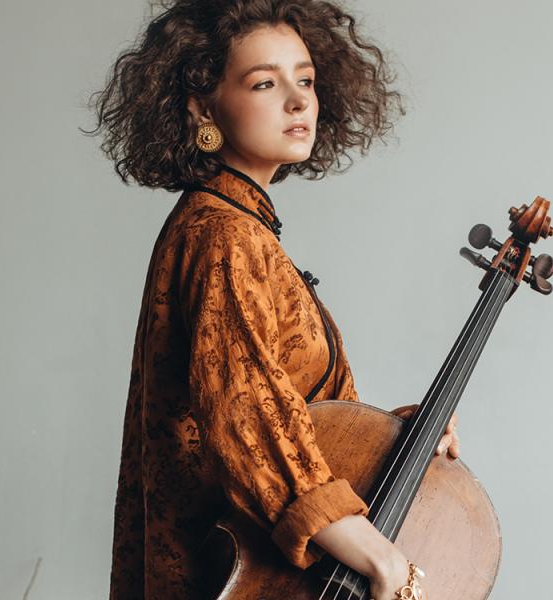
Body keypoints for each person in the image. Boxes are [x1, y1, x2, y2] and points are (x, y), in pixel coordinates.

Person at [85, 1, 460, 598]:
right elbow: (245, 411)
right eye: (265, 82)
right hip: (229, 576)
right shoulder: (224, 235)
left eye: (305, 79)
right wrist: (376, 555)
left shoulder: (237, 225)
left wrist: (392, 436)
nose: (298, 100)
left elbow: (293, 409)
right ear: (202, 105)